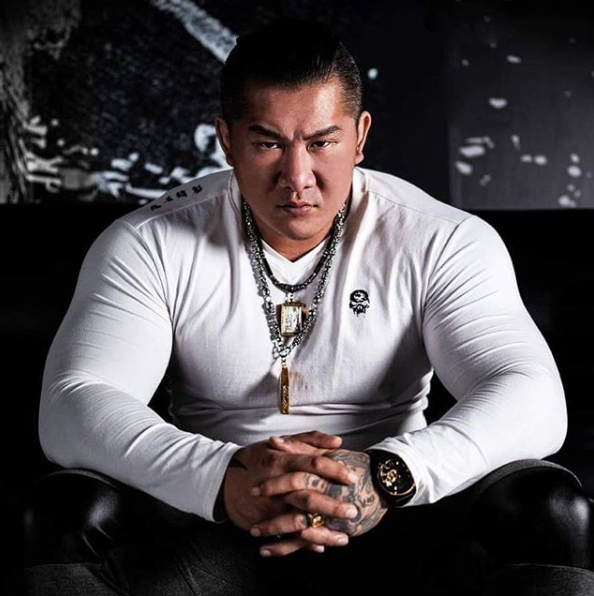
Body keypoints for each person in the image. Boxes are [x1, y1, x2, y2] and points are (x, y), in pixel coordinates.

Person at [7, 16, 594, 596]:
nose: (297, 177)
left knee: (548, 508)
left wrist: (389, 473)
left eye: (321, 143)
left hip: (394, 519)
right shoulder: (148, 242)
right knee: (63, 512)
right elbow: (72, 403)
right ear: (226, 141)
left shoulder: (441, 238)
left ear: (359, 137)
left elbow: (535, 395)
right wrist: (221, 477)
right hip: (208, 522)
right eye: (267, 143)